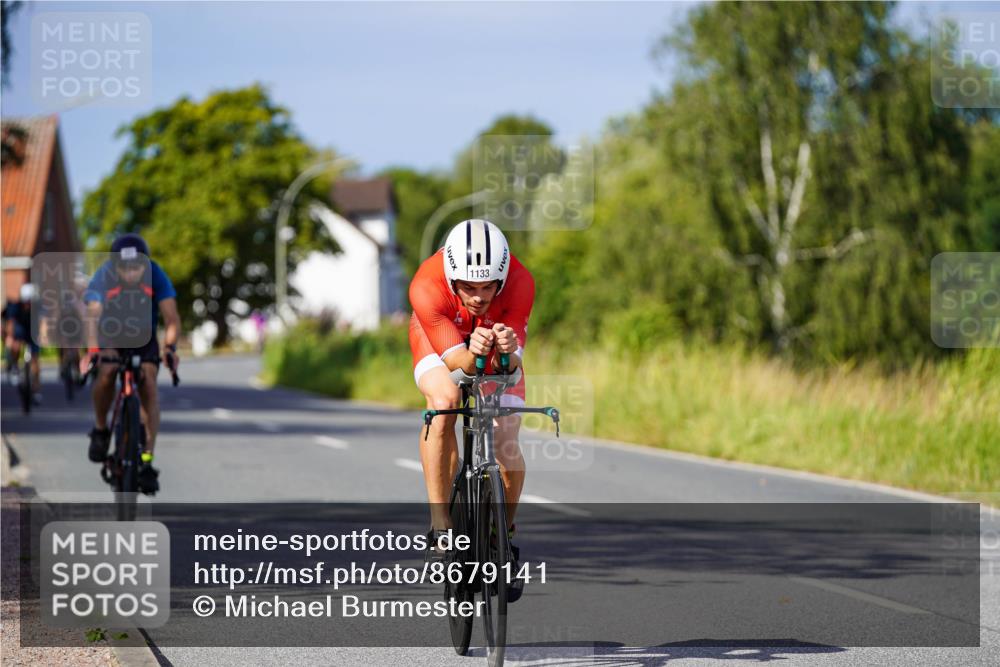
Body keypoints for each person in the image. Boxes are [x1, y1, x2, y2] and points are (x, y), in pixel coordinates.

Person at [408, 218, 534, 601]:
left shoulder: (520, 282)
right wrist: (473, 350)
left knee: (506, 436)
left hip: (494, 343)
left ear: (502, 276)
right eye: (469, 287)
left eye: (487, 288)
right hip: (438, 337)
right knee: (445, 401)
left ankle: (504, 535)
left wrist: (508, 349)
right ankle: (440, 523)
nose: (479, 297)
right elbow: (459, 365)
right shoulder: (426, 285)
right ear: (451, 278)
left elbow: (508, 368)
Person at [80, 233, 181, 495]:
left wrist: (169, 348)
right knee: (107, 371)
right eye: (124, 267)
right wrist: (92, 351)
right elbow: (92, 316)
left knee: (148, 385)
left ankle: (146, 460)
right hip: (112, 334)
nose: (131, 272)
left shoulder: (156, 274)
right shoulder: (104, 276)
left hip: (144, 336)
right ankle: (101, 430)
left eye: (137, 266)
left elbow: (171, 317)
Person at [2, 283, 42, 401]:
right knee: (15, 344)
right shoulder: (15, 307)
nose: (28, 304)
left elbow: (44, 321)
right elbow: (11, 324)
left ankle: (36, 390)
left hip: (32, 331)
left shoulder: (38, 307)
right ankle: (14, 365)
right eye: (26, 301)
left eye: (30, 301)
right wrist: (10, 337)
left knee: (35, 361)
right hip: (20, 329)